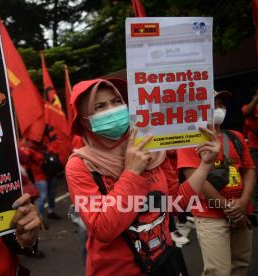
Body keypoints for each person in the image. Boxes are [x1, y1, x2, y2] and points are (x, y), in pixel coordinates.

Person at [65, 78, 220, 276]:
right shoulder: (79, 165)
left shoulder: (152, 149)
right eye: (100, 106)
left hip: (164, 264)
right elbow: (103, 229)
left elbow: (174, 205)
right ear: (84, 120)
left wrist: (205, 164)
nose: (112, 109)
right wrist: (131, 172)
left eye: (117, 101)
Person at [178, 90, 256, 276]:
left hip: (242, 210)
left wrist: (243, 203)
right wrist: (231, 210)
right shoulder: (188, 141)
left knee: (241, 264)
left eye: (221, 104)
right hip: (211, 216)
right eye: (213, 104)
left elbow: (249, 170)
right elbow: (196, 180)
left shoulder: (236, 137)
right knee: (218, 272)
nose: (218, 108)